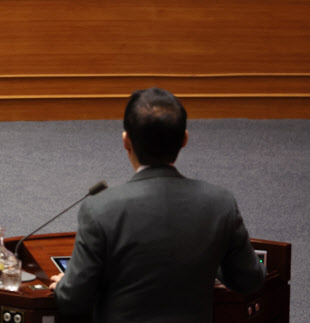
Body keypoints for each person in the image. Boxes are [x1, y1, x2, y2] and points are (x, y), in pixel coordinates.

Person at [49, 87, 266, 322]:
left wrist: (65, 285)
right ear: (184, 139)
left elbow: (73, 301)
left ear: (126, 141)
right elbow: (249, 280)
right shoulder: (220, 203)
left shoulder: (101, 209)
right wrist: (211, 254)